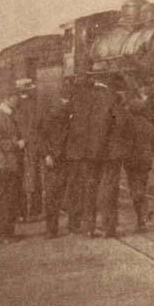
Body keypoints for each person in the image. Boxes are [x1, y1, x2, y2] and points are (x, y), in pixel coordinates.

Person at [65, 74, 115, 235]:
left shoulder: (77, 100)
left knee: (87, 189)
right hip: (101, 152)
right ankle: (105, 226)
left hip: (83, 153)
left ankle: (88, 227)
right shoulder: (105, 98)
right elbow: (109, 123)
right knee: (104, 188)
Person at [93, 75, 132, 238]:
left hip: (103, 153)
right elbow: (120, 125)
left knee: (104, 188)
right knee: (109, 189)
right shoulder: (114, 102)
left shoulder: (100, 102)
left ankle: (106, 225)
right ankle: (108, 227)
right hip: (111, 153)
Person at [0, 87, 26, 244]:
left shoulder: (7, 115)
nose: (18, 100)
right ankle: (1, 234)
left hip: (6, 164)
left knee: (8, 199)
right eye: (16, 97)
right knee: (2, 200)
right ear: (8, 98)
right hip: (1, 165)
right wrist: (16, 144)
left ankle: (6, 233)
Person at [37, 82, 73, 238]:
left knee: (60, 193)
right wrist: (46, 154)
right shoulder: (52, 115)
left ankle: (57, 228)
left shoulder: (68, 113)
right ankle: (53, 229)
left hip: (65, 158)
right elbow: (41, 137)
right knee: (53, 194)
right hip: (55, 159)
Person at [126, 96, 154, 232]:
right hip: (145, 160)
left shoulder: (128, 125)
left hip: (132, 161)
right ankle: (144, 214)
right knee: (142, 186)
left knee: (134, 188)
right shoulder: (149, 125)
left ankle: (141, 218)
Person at [14, 78, 42, 221]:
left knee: (21, 179)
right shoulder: (33, 105)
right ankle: (35, 211)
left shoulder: (16, 106)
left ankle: (22, 212)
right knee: (34, 179)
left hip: (20, 148)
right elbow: (36, 126)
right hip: (32, 147)